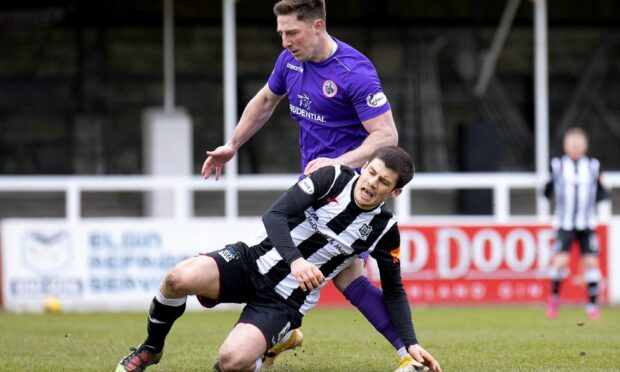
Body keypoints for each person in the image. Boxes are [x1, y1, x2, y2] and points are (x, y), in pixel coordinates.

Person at [201, 1, 418, 371]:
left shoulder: (355, 72)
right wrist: (233, 144)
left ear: (317, 26)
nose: (285, 41)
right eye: (281, 34)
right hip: (313, 186)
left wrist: (338, 162)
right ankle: (280, 334)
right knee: (324, 272)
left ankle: (408, 355)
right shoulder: (290, 61)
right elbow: (266, 100)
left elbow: (387, 135)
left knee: (348, 275)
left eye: (292, 33)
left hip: (350, 188)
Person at [116, 146, 441, 372]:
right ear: (365, 165)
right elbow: (275, 215)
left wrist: (410, 344)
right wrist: (297, 261)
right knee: (178, 279)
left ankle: (277, 340)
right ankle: (150, 348)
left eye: (383, 181)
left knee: (232, 362)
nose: (371, 183)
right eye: (371, 172)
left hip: (285, 299)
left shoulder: (384, 229)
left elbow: (395, 291)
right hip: (251, 260)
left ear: (395, 192)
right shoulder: (332, 177)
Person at [544, 128, 608, 320]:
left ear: (585, 146)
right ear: (565, 145)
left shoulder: (594, 166)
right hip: (565, 223)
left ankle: (592, 305)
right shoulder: (557, 165)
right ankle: (554, 299)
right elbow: (546, 191)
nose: (575, 147)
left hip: (586, 223)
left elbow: (602, 194)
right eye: (572, 144)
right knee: (560, 262)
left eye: (579, 144)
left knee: (591, 263)